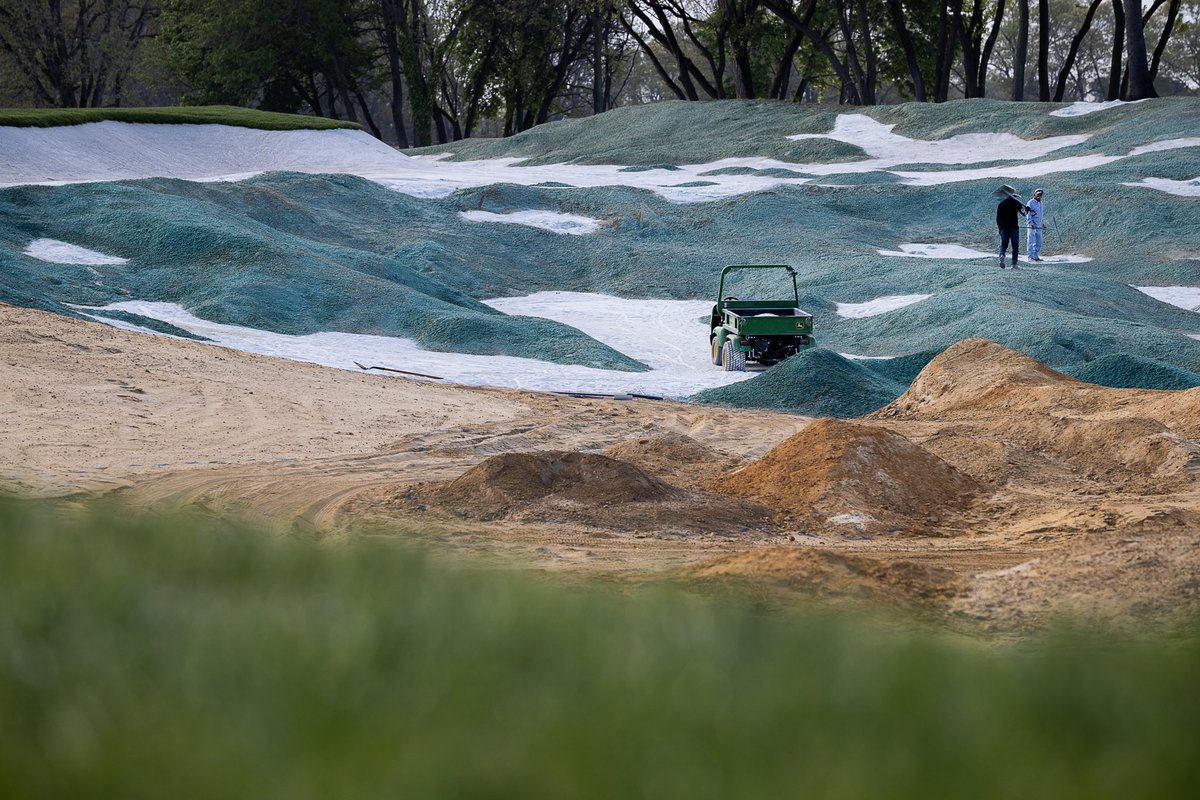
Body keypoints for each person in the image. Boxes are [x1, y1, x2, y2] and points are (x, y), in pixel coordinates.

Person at [995, 184, 1027, 269]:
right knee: (1015, 246)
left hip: (1004, 228)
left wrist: (1000, 229)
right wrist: (1027, 209)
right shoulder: (1016, 203)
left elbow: (998, 219)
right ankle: (1014, 264)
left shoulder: (1001, 204)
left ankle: (1002, 255)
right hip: (1014, 228)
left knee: (1004, 244)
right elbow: (1024, 213)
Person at [1026, 188, 1045, 261]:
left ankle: (1035, 256)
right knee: (1031, 241)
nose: (1039, 196)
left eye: (1041, 194)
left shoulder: (1041, 203)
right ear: (1034, 194)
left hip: (1039, 226)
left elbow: (1040, 214)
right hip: (1032, 226)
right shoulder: (1030, 202)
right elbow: (1028, 213)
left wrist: (1042, 223)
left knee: (1038, 241)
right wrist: (1030, 223)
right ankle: (1030, 257)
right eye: (1038, 194)